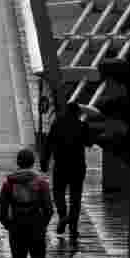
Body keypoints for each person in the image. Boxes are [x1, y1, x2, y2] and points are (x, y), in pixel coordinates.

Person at [40, 101, 90, 237]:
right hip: (77, 166)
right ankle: (73, 228)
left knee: (58, 192)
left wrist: (44, 161)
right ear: (78, 112)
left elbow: (48, 144)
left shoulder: (57, 125)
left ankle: (62, 215)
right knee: (75, 197)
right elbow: (89, 142)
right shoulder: (81, 125)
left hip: (60, 165)